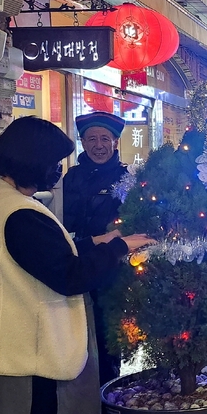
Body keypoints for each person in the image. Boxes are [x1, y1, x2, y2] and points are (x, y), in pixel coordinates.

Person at [0, 117, 154, 414]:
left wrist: (102, 241)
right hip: (24, 356)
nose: (57, 170)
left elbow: (51, 252)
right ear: (34, 161)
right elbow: (70, 275)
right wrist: (118, 247)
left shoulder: (5, 199)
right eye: (54, 161)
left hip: (26, 349)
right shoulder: (19, 214)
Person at [63, 111, 128, 385]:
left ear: (115, 142)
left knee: (107, 335)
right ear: (83, 142)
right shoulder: (70, 178)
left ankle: (107, 391)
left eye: (104, 138)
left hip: (110, 266)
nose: (98, 145)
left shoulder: (126, 179)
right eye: (91, 139)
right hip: (74, 262)